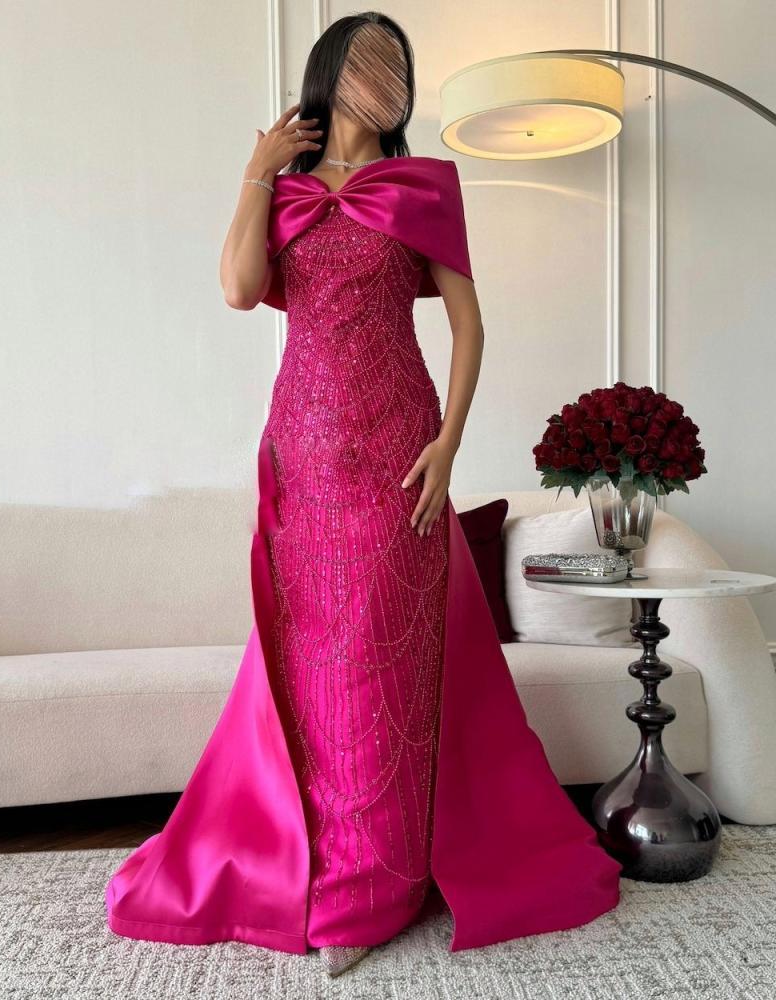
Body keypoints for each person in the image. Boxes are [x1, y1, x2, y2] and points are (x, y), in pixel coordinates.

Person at [105, 11, 623, 979]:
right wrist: (256, 171)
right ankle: (313, 859)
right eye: (367, 61)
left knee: (381, 658)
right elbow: (238, 289)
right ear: (329, 74)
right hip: (301, 450)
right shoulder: (286, 188)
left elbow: (468, 324)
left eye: (397, 64)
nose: (385, 79)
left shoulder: (422, 186)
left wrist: (447, 443)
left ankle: (375, 887)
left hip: (398, 448)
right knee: (312, 662)